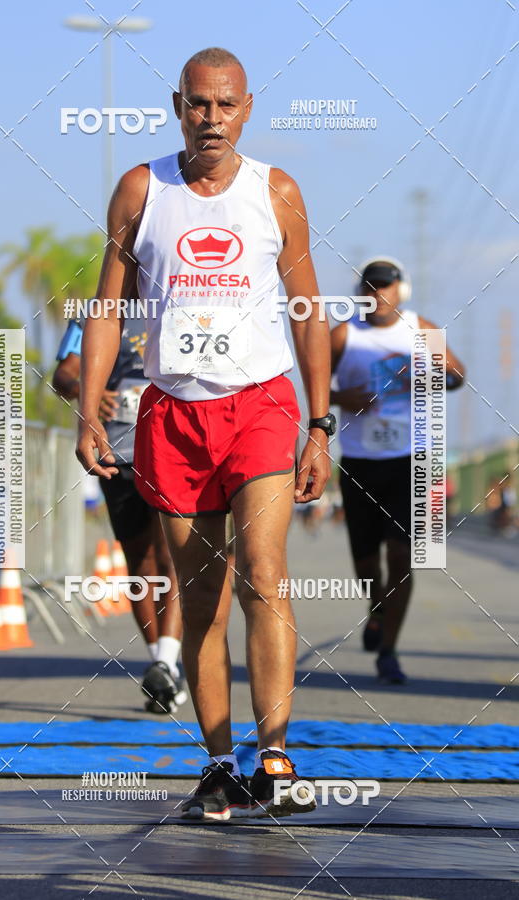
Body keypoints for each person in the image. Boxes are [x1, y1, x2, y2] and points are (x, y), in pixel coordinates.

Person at [75, 47, 334, 820]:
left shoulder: (274, 191)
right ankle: (220, 764)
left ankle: (276, 758)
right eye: (198, 104)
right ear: (177, 104)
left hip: (259, 405)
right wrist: (90, 410)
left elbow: (309, 310)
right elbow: (107, 308)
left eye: (225, 105)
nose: (211, 118)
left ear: (246, 108)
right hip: (171, 412)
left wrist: (318, 426)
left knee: (263, 568)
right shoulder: (141, 188)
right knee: (200, 601)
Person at [330, 257, 465, 684]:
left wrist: (435, 373)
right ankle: (376, 608)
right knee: (367, 561)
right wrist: (339, 398)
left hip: (414, 458)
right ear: (361, 293)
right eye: (370, 287)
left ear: (399, 291)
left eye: (386, 287)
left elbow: (459, 376)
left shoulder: (419, 327)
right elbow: (316, 387)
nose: (378, 294)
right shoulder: (342, 334)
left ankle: (389, 650)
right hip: (360, 461)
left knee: (402, 556)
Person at [53, 316, 187, 714]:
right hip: (119, 454)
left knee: (171, 559)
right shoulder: (93, 315)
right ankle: (159, 665)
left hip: (174, 453)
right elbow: (63, 376)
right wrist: (85, 393)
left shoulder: (180, 298)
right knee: (139, 561)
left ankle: (167, 659)